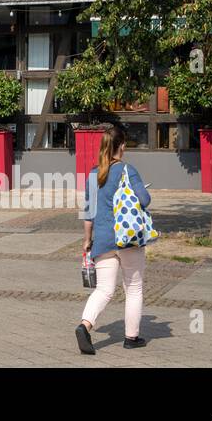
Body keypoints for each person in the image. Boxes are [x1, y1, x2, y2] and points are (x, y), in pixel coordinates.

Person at [75, 126, 151, 355]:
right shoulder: (128, 170)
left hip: (103, 240)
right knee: (134, 288)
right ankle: (131, 337)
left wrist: (87, 240)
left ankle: (84, 325)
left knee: (104, 289)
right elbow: (144, 200)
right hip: (127, 238)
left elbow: (88, 213)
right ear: (122, 146)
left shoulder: (92, 174)